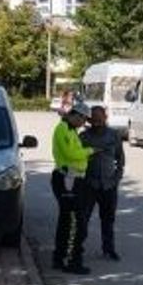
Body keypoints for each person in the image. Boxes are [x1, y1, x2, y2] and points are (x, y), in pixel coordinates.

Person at [51, 101, 94, 274]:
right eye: (83, 119)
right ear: (76, 115)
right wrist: (90, 151)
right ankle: (71, 261)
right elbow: (70, 154)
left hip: (74, 179)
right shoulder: (62, 129)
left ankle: (60, 258)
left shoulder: (71, 130)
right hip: (67, 180)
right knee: (75, 223)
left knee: (68, 221)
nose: (84, 124)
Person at [78, 105, 125, 261]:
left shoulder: (114, 135)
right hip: (89, 184)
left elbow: (120, 158)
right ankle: (77, 249)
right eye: (94, 120)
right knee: (83, 218)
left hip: (109, 185)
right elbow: (76, 158)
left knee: (108, 219)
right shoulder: (83, 137)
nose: (97, 123)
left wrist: (117, 178)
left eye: (100, 119)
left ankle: (109, 249)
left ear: (105, 118)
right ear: (89, 120)